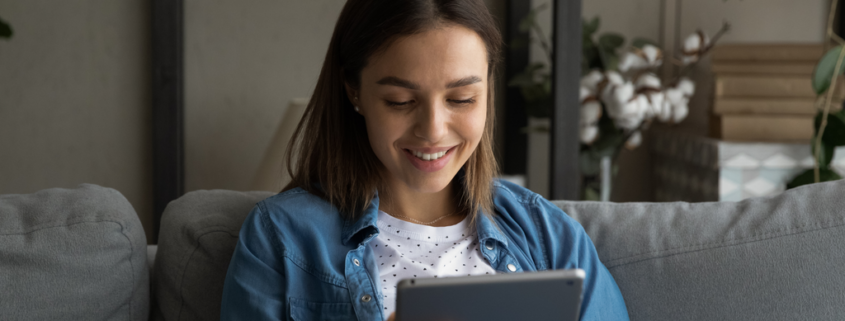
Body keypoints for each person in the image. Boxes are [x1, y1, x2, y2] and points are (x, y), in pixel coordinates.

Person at [220, 0, 629, 320]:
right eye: (400, 101)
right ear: (354, 92)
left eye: (462, 99)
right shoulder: (282, 238)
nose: (433, 129)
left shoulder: (550, 238)